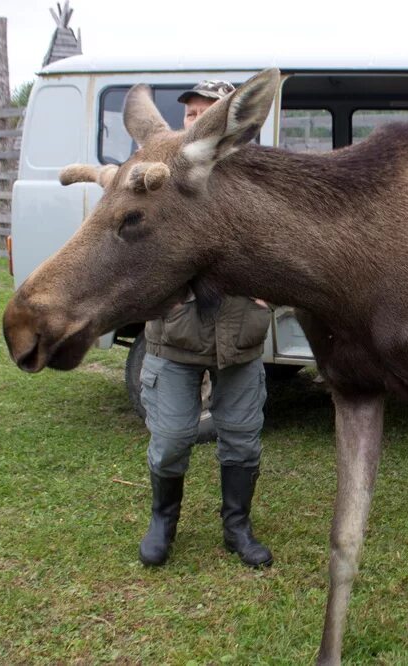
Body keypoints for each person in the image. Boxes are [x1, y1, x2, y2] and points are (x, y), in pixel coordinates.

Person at [138, 80, 273, 569]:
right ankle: (162, 521)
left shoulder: (258, 190)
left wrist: (268, 293)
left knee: (241, 434)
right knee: (172, 435)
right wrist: (167, 302)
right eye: (192, 114)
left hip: (240, 337)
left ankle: (237, 527)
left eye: (208, 113)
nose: (197, 122)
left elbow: (289, 253)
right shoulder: (159, 183)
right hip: (174, 339)